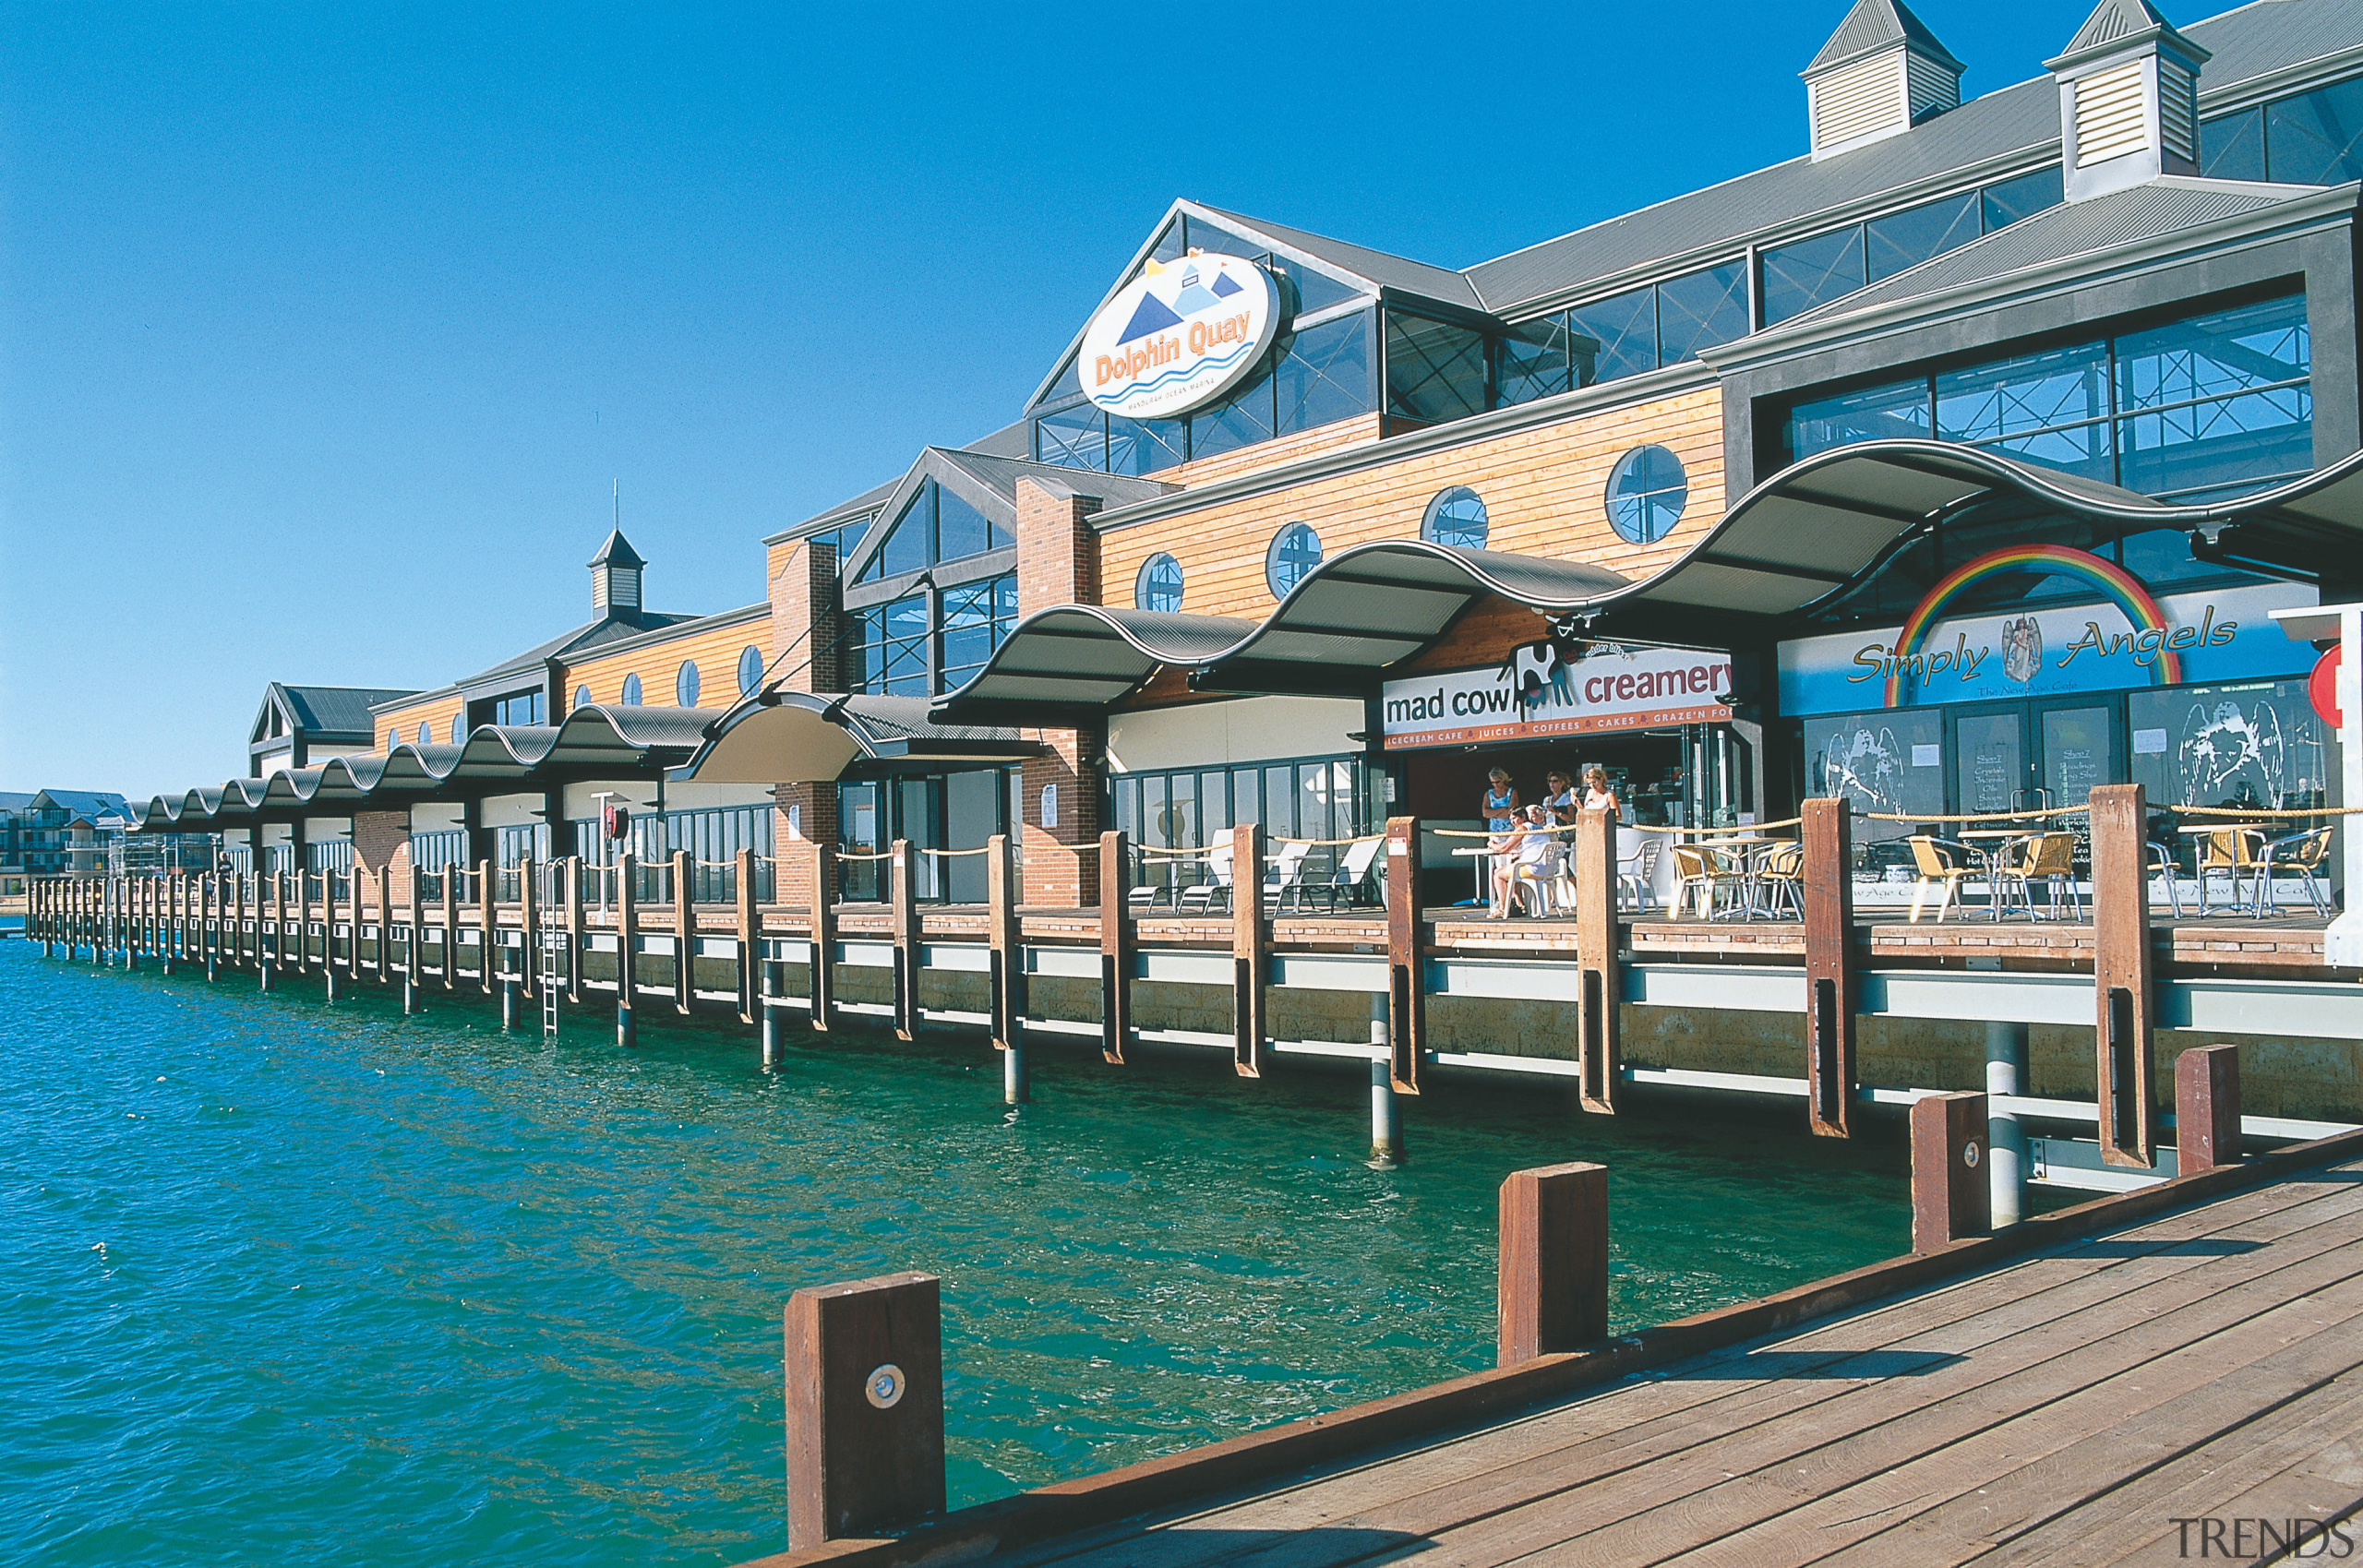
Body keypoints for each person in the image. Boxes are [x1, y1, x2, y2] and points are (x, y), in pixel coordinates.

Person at [1486, 808, 1529, 918]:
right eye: (1511, 819)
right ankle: (1518, 904)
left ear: (1523, 817)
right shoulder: (1536, 826)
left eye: (1515, 818)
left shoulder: (1522, 829)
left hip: (1531, 867)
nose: (1513, 822)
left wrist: (1492, 844)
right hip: (1542, 866)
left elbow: (1505, 848)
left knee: (1498, 875)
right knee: (1510, 867)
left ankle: (1504, 909)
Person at [1481, 768, 1518, 832]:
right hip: (1494, 831)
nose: (1495, 785)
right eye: (1493, 782)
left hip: (1510, 830)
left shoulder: (1512, 792)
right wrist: (1503, 809)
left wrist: (1493, 814)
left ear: (1503, 779)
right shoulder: (1488, 794)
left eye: (1497, 782)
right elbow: (1485, 813)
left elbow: (1512, 813)